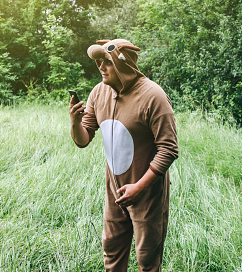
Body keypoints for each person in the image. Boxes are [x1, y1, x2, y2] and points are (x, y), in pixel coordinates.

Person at [69, 39, 179, 272]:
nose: (100, 67)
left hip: (147, 193)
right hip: (115, 191)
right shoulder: (99, 92)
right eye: (99, 62)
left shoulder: (153, 96)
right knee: (112, 251)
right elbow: (83, 140)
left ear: (125, 64)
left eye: (106, 62)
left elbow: (168, 149)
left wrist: (139, 187)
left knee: (147, 260)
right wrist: (75, 122)